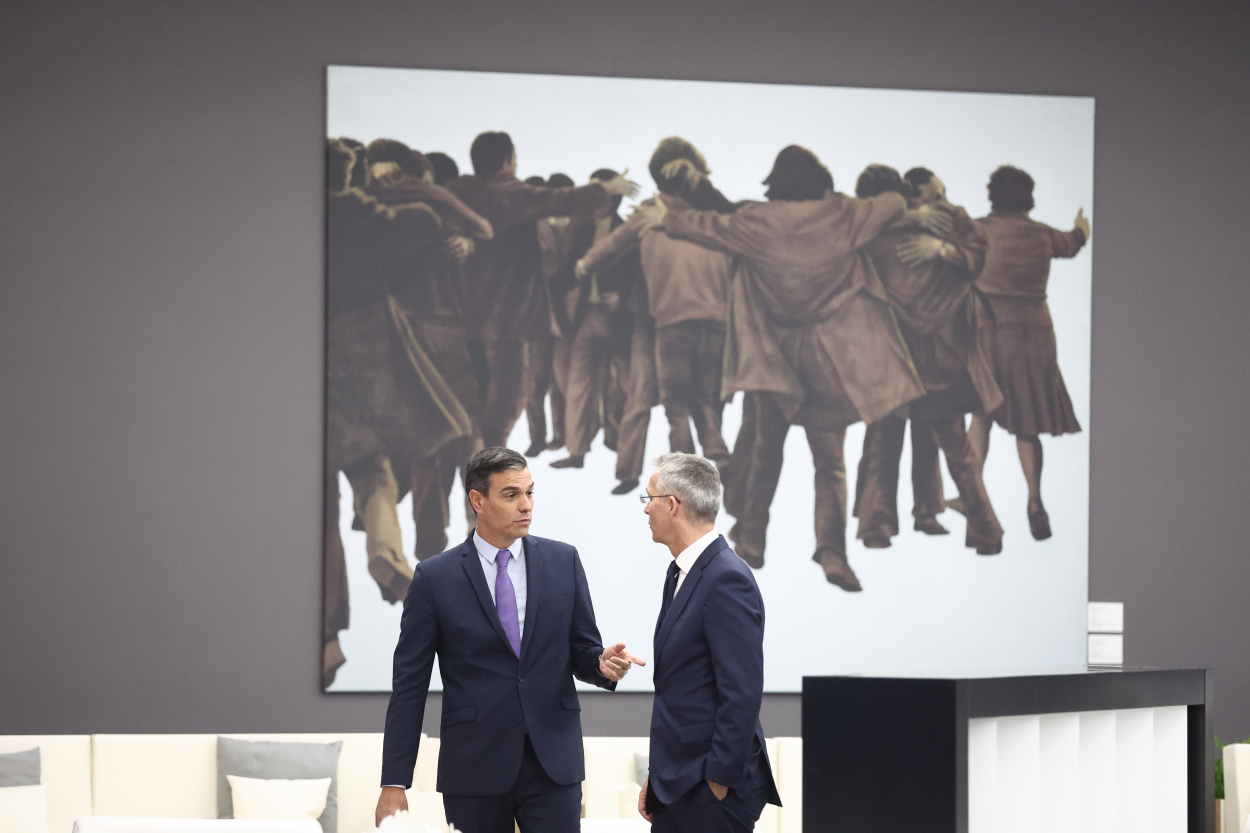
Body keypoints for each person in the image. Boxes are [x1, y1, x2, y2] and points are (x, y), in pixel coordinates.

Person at [638, 145, 941, 591]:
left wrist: (666, 217)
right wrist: (917, 204)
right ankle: (833, 552)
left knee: (765, 452)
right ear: (822, 179)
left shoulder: (757, 222)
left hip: (774, 359)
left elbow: (708, 225)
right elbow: (893, 203)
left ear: (774, 184)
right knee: (830, 463)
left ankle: (753, 538)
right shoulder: (845, 214)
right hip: (832, 361)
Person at [376, 446, 645, 833]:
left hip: (553, 763)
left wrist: (601, 664)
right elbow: (409, 686)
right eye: (511, 494)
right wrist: (394, 781)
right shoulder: (435, 578)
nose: (526, 505)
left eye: (530, 493)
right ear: (477, 501)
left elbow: (582, 649)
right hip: (474, 768)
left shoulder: (563, 561)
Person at [448, 131, 638, 449]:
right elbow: (560, 199)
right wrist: (606, 188)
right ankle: (484, 466)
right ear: (507, 161)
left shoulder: (458, 192)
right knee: (506, 406)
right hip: (510, 319)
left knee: (475, 405)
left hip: (466, 320)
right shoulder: (511, 193)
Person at [850, 164, 1004, 555]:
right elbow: (976, 256)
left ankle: (878, 525)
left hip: (899, 362)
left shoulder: (871, 239)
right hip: (936, 362)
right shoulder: (945, 230)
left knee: (888, 444)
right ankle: (983, 530)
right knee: (954, 450)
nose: (942, 201)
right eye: (933, 194)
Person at [577, 137, 739, 493]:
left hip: (670, 318)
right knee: (706, 395)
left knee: (675, 400)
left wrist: (584, 264)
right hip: (715, 318)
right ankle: (716, 452)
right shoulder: (715, 217)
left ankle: (689, 474)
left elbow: (611, 245)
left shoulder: (651, 213)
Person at [639, 452, 781, 832]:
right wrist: (660, 777)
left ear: (672, 505)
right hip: (678, 783)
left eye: (648, 499)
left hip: (709, 790)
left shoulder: (725, 578)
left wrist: (717, 782)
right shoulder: (681, 573)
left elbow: (742, 690)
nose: (644, 511)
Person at [957, 165, 1090, 540]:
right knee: (1027, 426)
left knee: (980, 418)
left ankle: (975, 504)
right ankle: (1035, 501)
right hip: (1034, 337)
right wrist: (1082, 227)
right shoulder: (1043, 235)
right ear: (1028, 197)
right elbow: (1073, 242)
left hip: (988, 335)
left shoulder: (978, 231)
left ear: (992, 195)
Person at [550, 168, 637, 470]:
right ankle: (576, 452)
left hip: (619, 319)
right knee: (579, 384)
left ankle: (615, 439)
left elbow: (640, 278)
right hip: (585, 315)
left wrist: (622, 298)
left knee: (622, 386)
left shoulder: (628, 230)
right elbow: (562, 274)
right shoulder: (581, 230)